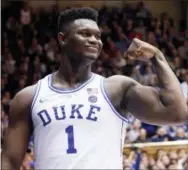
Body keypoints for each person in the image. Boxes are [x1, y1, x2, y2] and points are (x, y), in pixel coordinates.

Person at [2, 7, 188, 170]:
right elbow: (10, 161)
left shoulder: (116, 89)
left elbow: (177, 113)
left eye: (98, 36)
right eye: (85, 34)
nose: (94, 40)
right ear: (63, 39)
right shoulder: (29, 97)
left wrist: (157, 56)